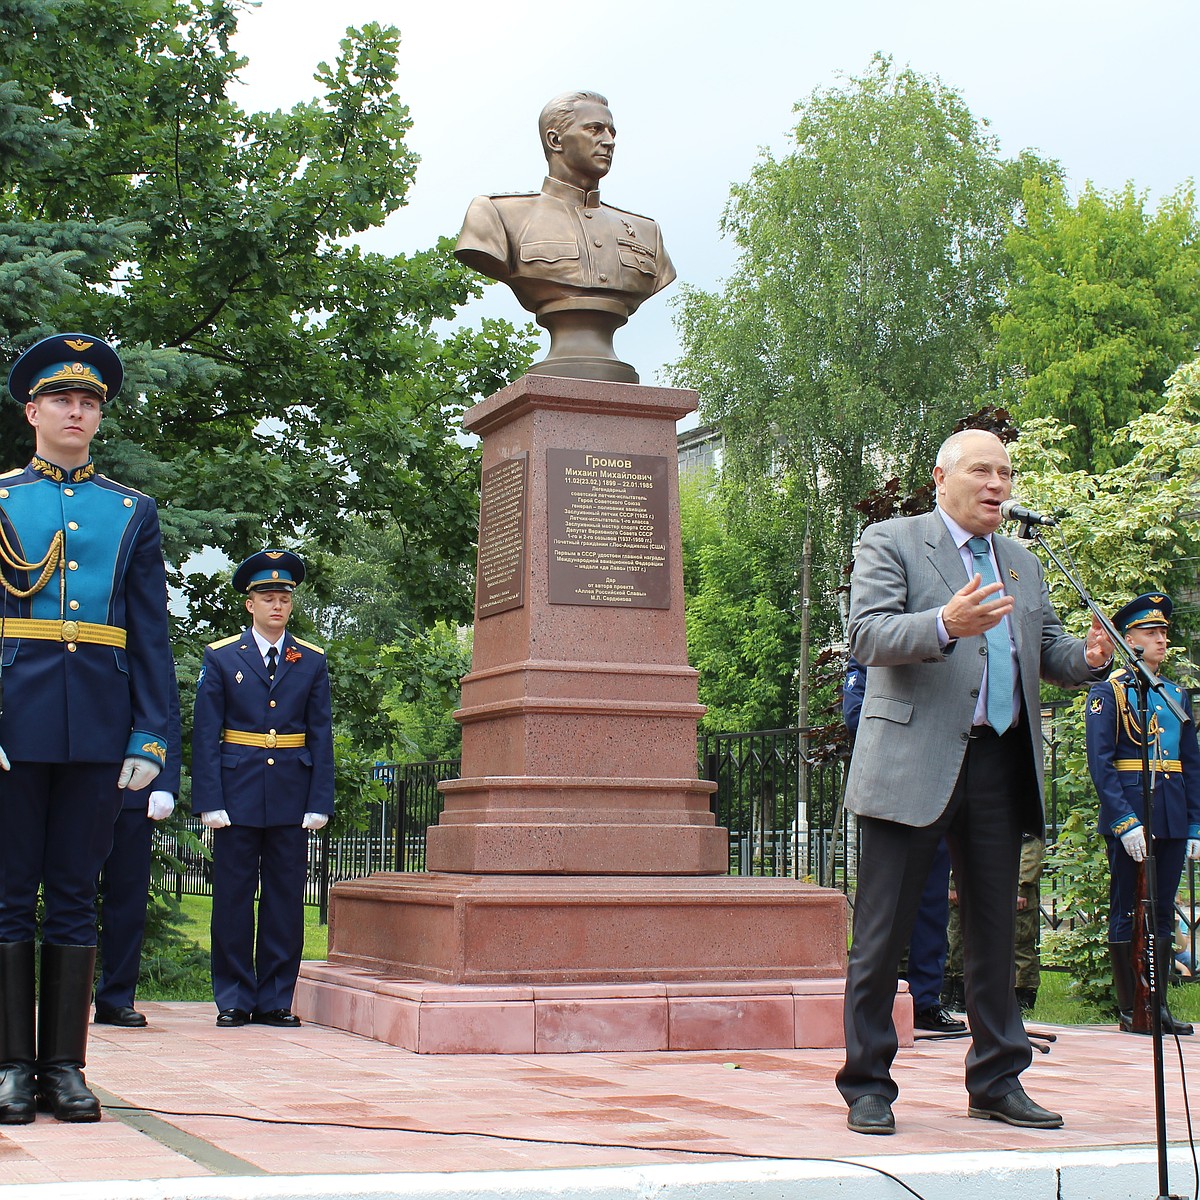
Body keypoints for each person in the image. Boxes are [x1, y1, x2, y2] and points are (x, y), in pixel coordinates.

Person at [836, 428, 1113, 1135]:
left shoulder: (1019, 560)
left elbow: (1043, 647)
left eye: (1006, 473)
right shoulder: (893, 541)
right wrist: (943, 623)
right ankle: (868, 1084)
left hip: (999, 762)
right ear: (942, 477)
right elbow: (867, 635)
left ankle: (997, 1079)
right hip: (912, 762)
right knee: (882, 934)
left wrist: (1085, 658)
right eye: (983, 471)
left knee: (993, 929)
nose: (997, 485)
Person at [0, 333, 173, 1124]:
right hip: (13, 724)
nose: (77, 411)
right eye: (63, 399)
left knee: (75, 895)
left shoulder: (130, 510)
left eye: (90, 401)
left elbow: (149, 634)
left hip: (99, 727)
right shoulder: (1, 500)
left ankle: (64, 1067)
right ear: (32, 410)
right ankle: (10, 1068)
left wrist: (150, 737)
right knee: (8, 899)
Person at [191, 550, 333, 1029]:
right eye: (267, 597)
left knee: (284, 900)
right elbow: (206, 733)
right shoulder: (222, 655)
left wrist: (319, 800)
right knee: (232, 898)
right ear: (249, 604)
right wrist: (208, 799)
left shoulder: (309, 660)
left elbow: (321, 734)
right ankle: (233, 996)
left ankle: (275, 998)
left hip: (291, 793)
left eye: (284, 598)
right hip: (237, 791)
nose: (277, 605)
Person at [455, 90, 674, 379]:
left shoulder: (648, 232)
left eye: (611, 132)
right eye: (595, 129)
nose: (609, 141)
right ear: (555, 140)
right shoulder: (498, 215)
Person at [1085, 591, 1200, 1036]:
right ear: (1128, 639)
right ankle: (1132, 1006)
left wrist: (1193, 823)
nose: (1161, 641)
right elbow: (1102, 763)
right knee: (1128, 907)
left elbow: (1190, 763)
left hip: (1170, 814)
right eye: (1150, 633)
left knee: (1163, 909)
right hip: (1132, 813)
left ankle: (1159, 1002)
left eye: (1163, 633)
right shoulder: (1109, 693)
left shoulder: (1174, 695)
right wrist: (1123, 821)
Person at [843, 655, 964, 1034]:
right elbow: (857, 715)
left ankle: (926, 999)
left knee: (931, 903)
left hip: (935, 788)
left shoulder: (942, 657)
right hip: (893, 787)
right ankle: (874, 1010)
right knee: (883, 910)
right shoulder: (871, 655)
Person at [94, 684, 181, 1028]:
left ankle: (116, 998)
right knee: (70, 892)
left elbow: (165, 713)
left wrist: (165, 783)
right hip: (74, 780)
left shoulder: (141, 638)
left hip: (136, 785)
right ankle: (63, 997)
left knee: (127, 898)